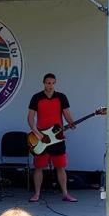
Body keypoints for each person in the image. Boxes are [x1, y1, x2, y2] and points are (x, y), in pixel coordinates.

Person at [27, 72, 77, 204]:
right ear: (44, 83)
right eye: (48, 83)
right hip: (41, 137)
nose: (50, 85)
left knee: (61, 166)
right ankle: (37, 194)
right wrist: (36, 132)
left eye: (52, 83)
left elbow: (67, 114)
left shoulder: (61, 97)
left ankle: (65, 193)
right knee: (39, 167)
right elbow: (30, 118)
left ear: (55, 83)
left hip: (57, 137)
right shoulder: (36, 97)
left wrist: (71, 122)